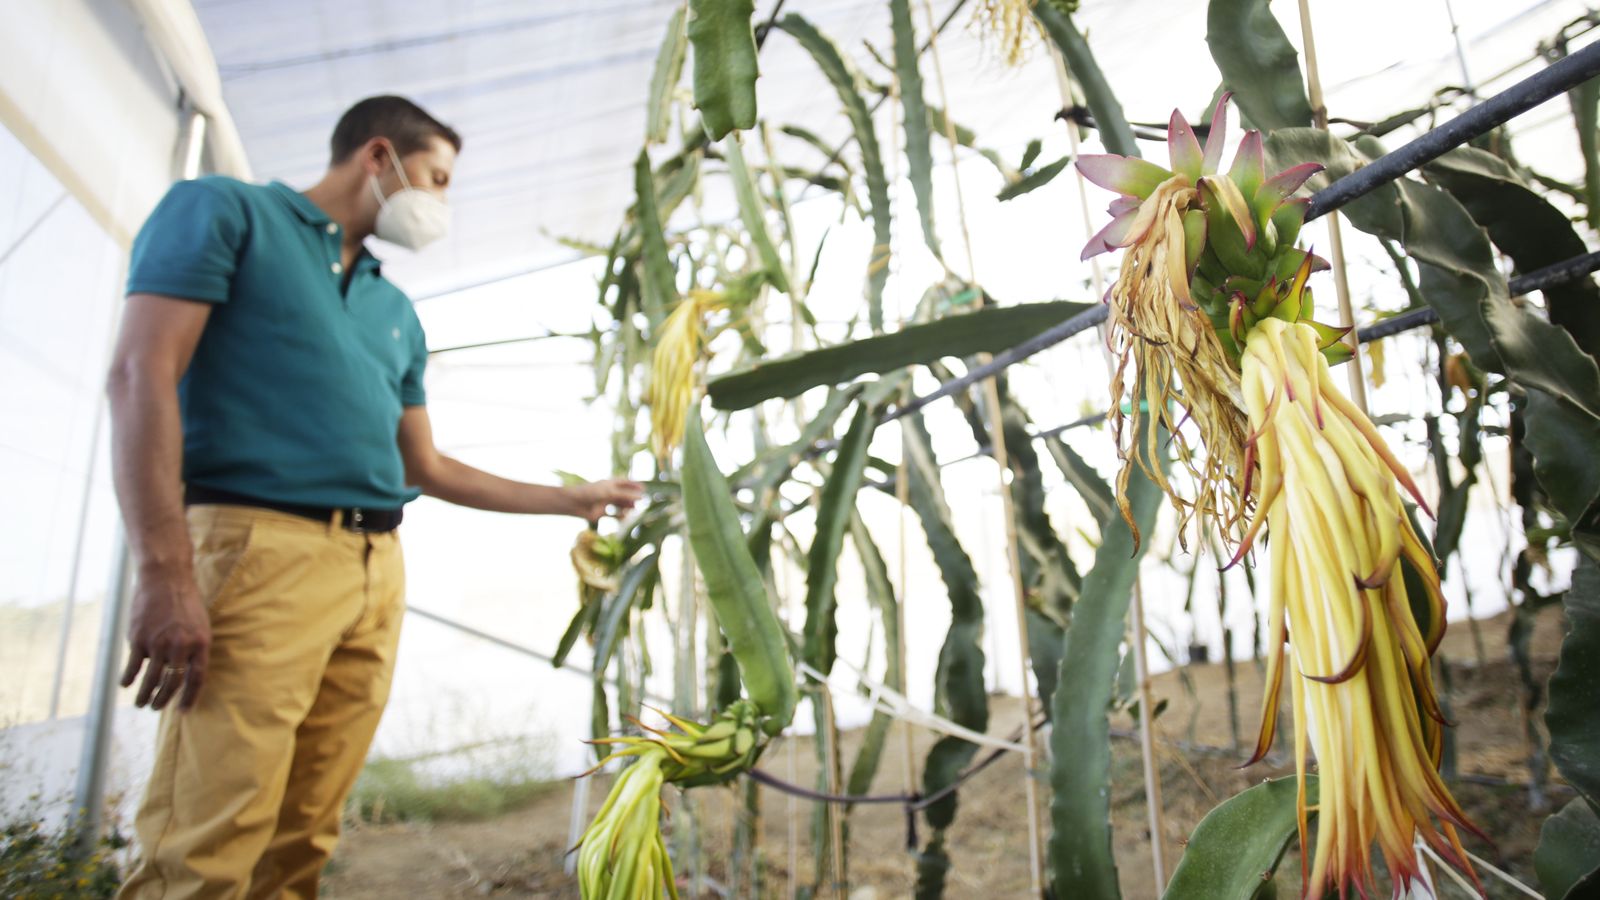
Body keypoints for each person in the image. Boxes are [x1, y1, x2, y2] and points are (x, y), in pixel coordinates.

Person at [106, 95, 642, 899]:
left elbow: (425, 466)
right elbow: (138, 372)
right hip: (256, 551)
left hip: (376, 565)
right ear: (380, 156)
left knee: (306, 826)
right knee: (212, 827)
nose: (442, 202)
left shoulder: (395, 309)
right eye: (437, 178)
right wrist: (164, 570)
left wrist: (570, 500)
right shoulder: (227, 212)